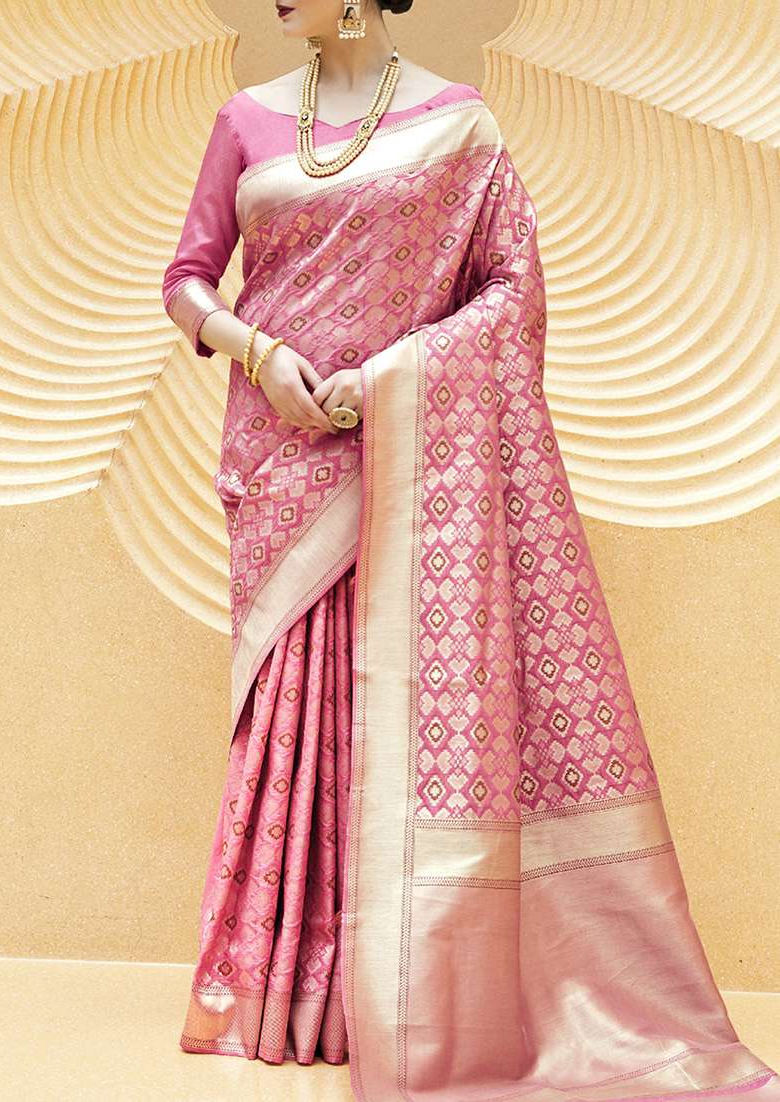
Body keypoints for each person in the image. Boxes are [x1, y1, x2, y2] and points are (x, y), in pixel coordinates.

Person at [162, 2, 780, 1100]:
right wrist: (257, 355)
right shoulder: (246, 120)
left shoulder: (458, 126)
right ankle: (290, 991)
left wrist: (392, 380)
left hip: (408, 451)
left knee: (395, 700)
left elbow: (511, 290)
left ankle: (397, 984)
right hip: (281, 456)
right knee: (295, 707)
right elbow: (187, 280)